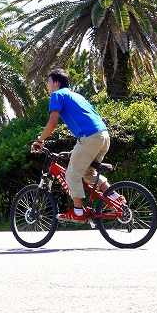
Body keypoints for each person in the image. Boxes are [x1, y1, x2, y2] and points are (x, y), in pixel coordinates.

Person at [31, 68, 122, 222]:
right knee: (88, 173)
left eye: (48, 83)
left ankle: (78, 212)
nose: (48, 86)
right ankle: (115, 198)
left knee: (71, 174)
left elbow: (53, 122)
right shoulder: (77, 96)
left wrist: (40, 141)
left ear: (56, 83)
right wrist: (79, 146)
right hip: (103, 136)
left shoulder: (57, 95)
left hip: (90, 137)